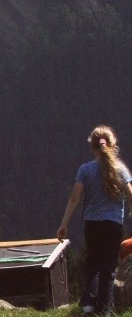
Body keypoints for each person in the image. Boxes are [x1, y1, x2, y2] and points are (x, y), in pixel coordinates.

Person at [57, 125, 132, 315]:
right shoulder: (120, 170)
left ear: (93, 147)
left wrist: (64, 223)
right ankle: (104, 309)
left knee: (93, 264)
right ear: (113, 145)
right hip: (113, 224)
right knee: (108, 268)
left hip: (92, 224)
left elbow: (74, 197)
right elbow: (131, 196)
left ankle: (89, 304)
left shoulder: (85, 170)